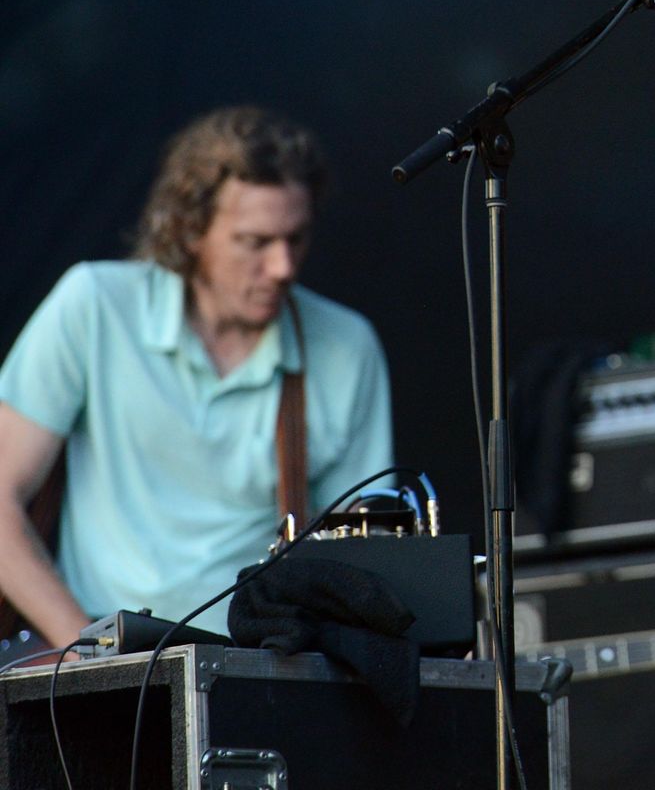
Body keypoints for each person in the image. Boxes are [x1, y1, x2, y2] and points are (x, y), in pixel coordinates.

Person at [0, 105, 393, 643]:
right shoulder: (95, 304)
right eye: (255, 242)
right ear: (189, 230)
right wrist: (89, 652)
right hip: (102, 652)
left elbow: (364, 560)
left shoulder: (346, 346)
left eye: (296, 238)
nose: (282, 266)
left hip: (257, 664)